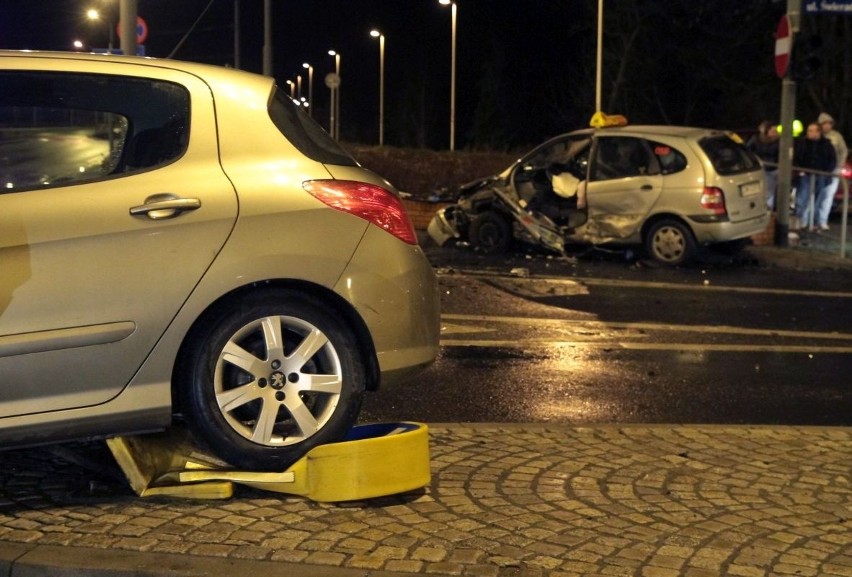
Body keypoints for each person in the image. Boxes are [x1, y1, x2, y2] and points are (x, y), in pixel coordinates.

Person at [793, 122, 836, 231]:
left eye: (812, 130)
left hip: (821, 175)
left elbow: (832, 160)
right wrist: (800, 170)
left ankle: (814, 223)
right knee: (802, 198)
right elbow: (796, 157)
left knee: (817, 200)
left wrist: (826, 172)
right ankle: (801, 222)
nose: (809, 133)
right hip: (806, 174)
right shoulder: (802, 143)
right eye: (808, 130)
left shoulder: (826, 144)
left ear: (819, 132)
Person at [815, 112, 848, 231]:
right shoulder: (816, 135)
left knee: (827, 195)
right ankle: (812, 219)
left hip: (833, 170)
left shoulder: (836, 136)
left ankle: (822, 220)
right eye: (825, 123)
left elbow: (843, 151)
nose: (827, 126)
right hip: (818, 170)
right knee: (816, 194)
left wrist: (840, 165)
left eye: (829, 123)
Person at [746, 121, 780, 210]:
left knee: (769, 192)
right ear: (766, 131)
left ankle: (768, 210)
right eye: (773, 131)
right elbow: (748, 151)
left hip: (772, 169)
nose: (775, 133)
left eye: (776, 131)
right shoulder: (756, 139)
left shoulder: (779, 141)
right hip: (759, 168)